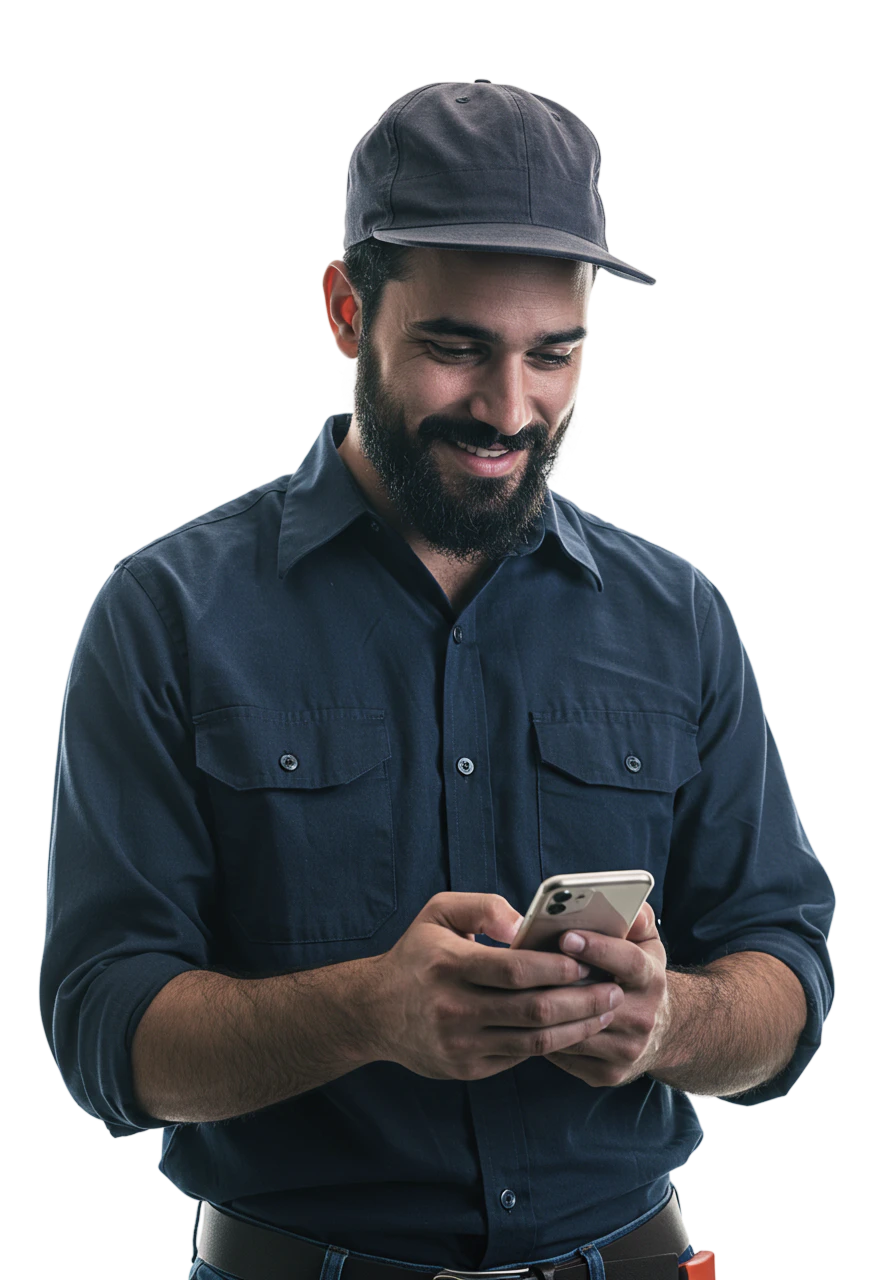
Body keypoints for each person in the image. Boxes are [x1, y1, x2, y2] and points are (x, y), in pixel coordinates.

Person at [39, 80, 835, 1280]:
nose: (509, 410)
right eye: (455, 348)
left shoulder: (677, 615)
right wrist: (368, 1009)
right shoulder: (164, 614)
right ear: (345, 312)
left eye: (552, 354)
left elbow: (784, 977)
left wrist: (667, 1020)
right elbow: (105, 1032)